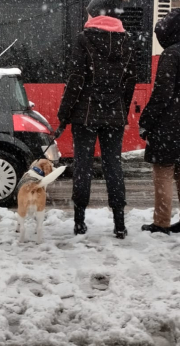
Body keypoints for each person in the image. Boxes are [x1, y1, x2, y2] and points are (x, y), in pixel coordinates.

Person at [54, 0, 137, 239]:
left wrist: (64, 114)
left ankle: (79, 222)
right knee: (113, 166)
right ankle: (119, 224)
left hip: (85, 114)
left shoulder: (84, 38)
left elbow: (76, 79)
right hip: (114, 115)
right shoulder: (127, 40)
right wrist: (122, 106)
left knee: (83, 166)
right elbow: (130, 81)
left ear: (95, 14)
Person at [139, 9, 180, 235]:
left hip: (170, 126)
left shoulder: (172, 54)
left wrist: (146, 120)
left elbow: (162, 93)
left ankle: (161, 222)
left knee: (163, 173)